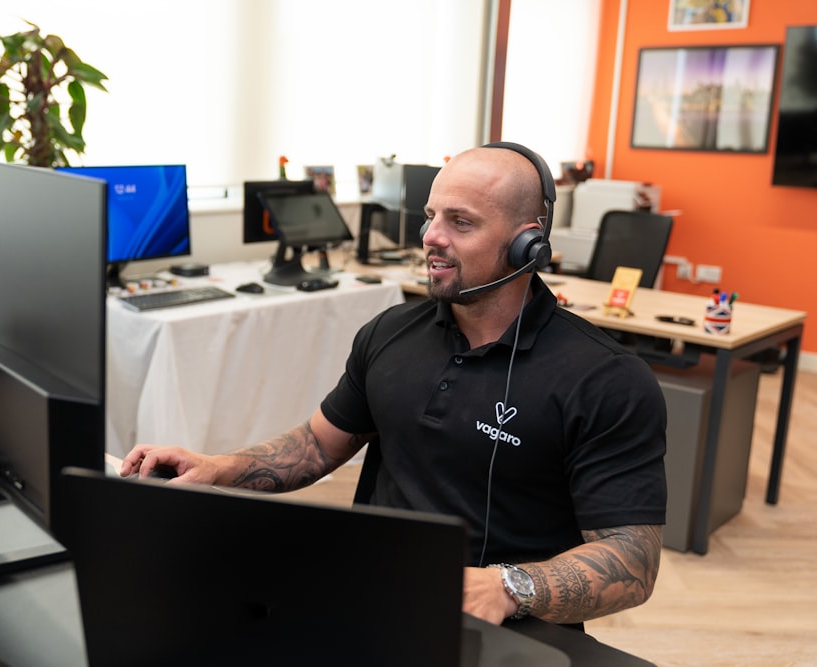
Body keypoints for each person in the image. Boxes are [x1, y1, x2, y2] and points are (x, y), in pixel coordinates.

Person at [121, 143, 667, 628]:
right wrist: (219, 468)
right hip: (369, 600)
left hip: (505, 626)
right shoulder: (389, 331)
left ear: (528, 244)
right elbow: (315, 446)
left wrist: (507, 587)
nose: (431, 237)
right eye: (431, 216)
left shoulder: (606, 379)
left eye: (461, 222)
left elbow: (632, 562)